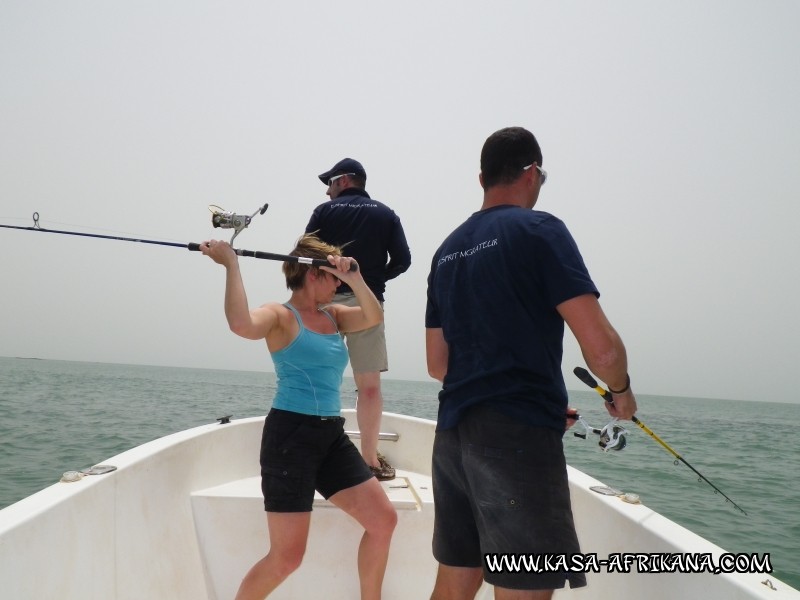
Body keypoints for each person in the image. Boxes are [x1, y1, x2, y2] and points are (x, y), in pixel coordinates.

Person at [424, 126, 638, 599]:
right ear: (533, 173)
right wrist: (620, 393)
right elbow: (601, 349)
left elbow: (438, 364)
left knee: (456, 580)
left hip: (453, 436)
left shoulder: (445, 253)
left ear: (482, 178)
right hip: (517, 439)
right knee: (525, 587)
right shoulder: (540, 230)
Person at [200, 233, 397, 600]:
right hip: (291, 438)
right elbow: (242, 325)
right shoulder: (280, 315)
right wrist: (231, 265)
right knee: (287, 557)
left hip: (330, 437)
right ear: (312, 274)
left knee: (383, 520)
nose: (338, 284)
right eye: (333, 276)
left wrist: (354, 276)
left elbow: (374, 316)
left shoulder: (334, 315)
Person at [306, 158, 411, 481]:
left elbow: (303, 255)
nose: (327, 191)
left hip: (324, 304)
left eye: (330, 183)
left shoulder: (324, 213)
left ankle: (311, 454)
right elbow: (404, 261)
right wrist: (371, 281)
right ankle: (369, 460)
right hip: (367, 306)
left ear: (345, 181)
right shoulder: (386, 214)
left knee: (317, 380)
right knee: (368, 387)